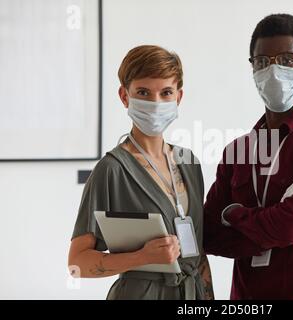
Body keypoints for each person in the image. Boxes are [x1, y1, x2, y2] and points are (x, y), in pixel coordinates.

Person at [203, 14, 293, 299]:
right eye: (262, 62)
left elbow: (292, 227)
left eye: (287, 60)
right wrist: (266, 231)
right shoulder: (238, 150)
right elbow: (208, 234)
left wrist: (231, 214)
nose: (272, 71)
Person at [68, 45, 214, 300]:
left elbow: (198, 253)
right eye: (143, 92)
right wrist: (142, 257)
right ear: (125, 96)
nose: (155, 103)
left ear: (178, 97)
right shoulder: (112, 170)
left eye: (166, 92)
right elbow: (77, 263)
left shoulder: (189, 162)